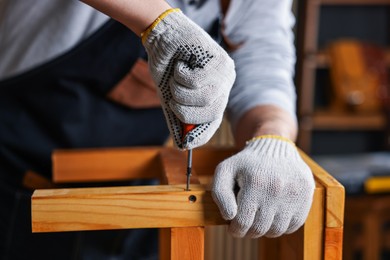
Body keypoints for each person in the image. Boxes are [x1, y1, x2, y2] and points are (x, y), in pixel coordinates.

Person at [0, 0, 315, 259]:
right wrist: (158, 23)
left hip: (135, 200)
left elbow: (263, 61)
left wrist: (273, 136)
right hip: (17, 183)